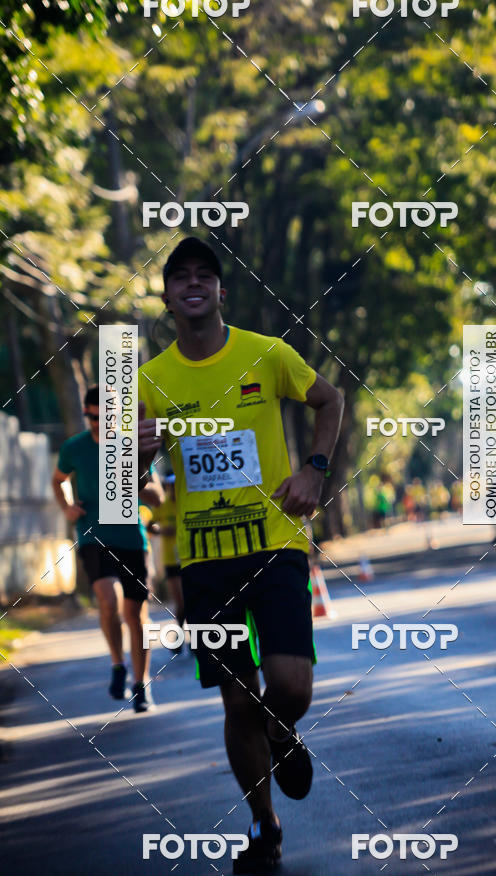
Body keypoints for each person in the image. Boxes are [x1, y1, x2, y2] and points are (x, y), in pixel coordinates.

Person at [137, 237, 344, 872]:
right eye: (180, 276)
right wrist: (133, 454)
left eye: (206, 275)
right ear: (168, 296)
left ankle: (282, 732)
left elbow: (330, 400)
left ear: (221, 291)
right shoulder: (147, 381)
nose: (193, 283)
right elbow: (122, 482)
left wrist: (314, 470)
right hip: (203, 561)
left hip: (275, 544)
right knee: (235, 701)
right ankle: (264, 826)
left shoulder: (266, 353)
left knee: (290, 685)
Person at [52, 385, 163, 712]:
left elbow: (158, 495)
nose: (98, 423)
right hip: (92, 535)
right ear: (86, 415)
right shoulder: (74, 448)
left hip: (131, 538)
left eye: (105, 417)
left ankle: (141, 685)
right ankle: (118, 664)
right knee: (108, 598)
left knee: (136, 615)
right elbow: (57, 479)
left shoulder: (131, 447)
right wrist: (67, 507)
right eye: (91, 417)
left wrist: (136, 481)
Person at [150, 472, 185, 653]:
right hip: (172, 560)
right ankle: (179, 639)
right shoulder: (162, 506)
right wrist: (161, 530)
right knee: (181, 602)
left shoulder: (188, 502)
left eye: (175, 485)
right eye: (170, 486)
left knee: (190, 601)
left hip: (191, 558)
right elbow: (151, 525)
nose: (172, 489)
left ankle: (192, 640)